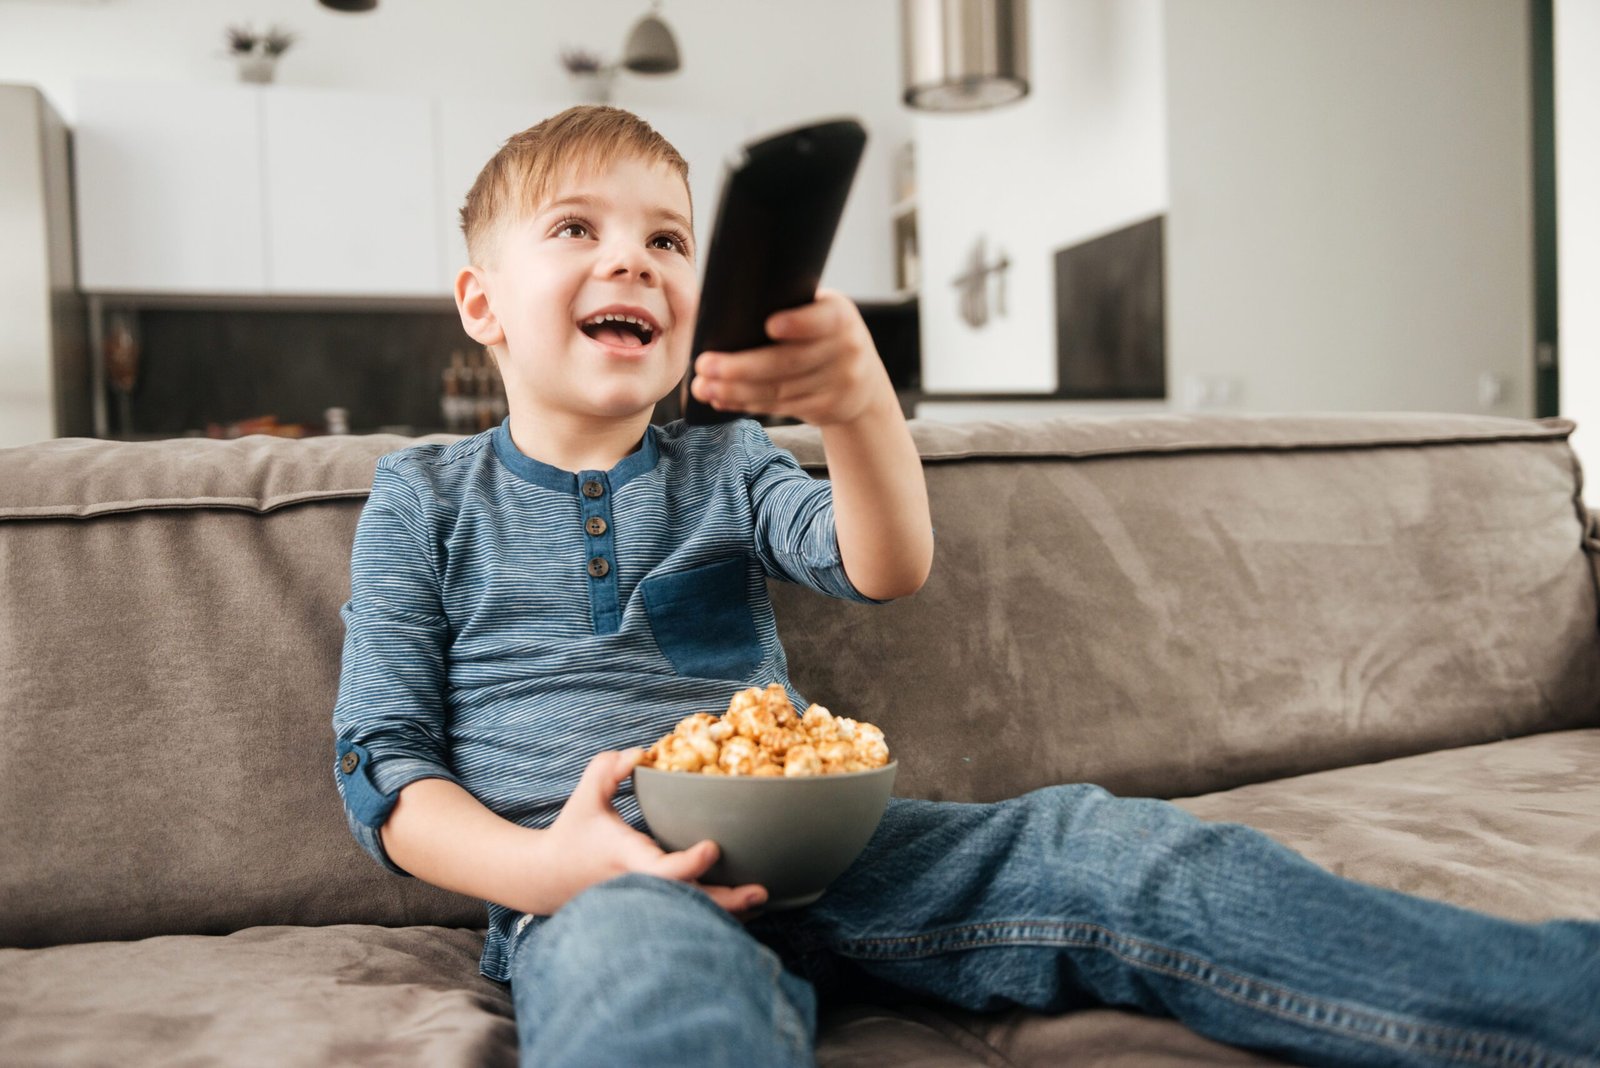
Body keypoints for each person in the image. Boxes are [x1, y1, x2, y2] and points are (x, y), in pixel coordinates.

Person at [332, 105, 1599, 1068]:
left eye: (668, 237)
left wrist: (856, 403)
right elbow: (385, 770)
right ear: (480, 303)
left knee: (1113, 849)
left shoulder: (724, 462)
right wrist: (558, 876)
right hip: (602, 882)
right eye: (578, 230)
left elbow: (882, 565)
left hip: (843, 851)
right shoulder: (427, 500)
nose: (637, 262)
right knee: (645, 983)